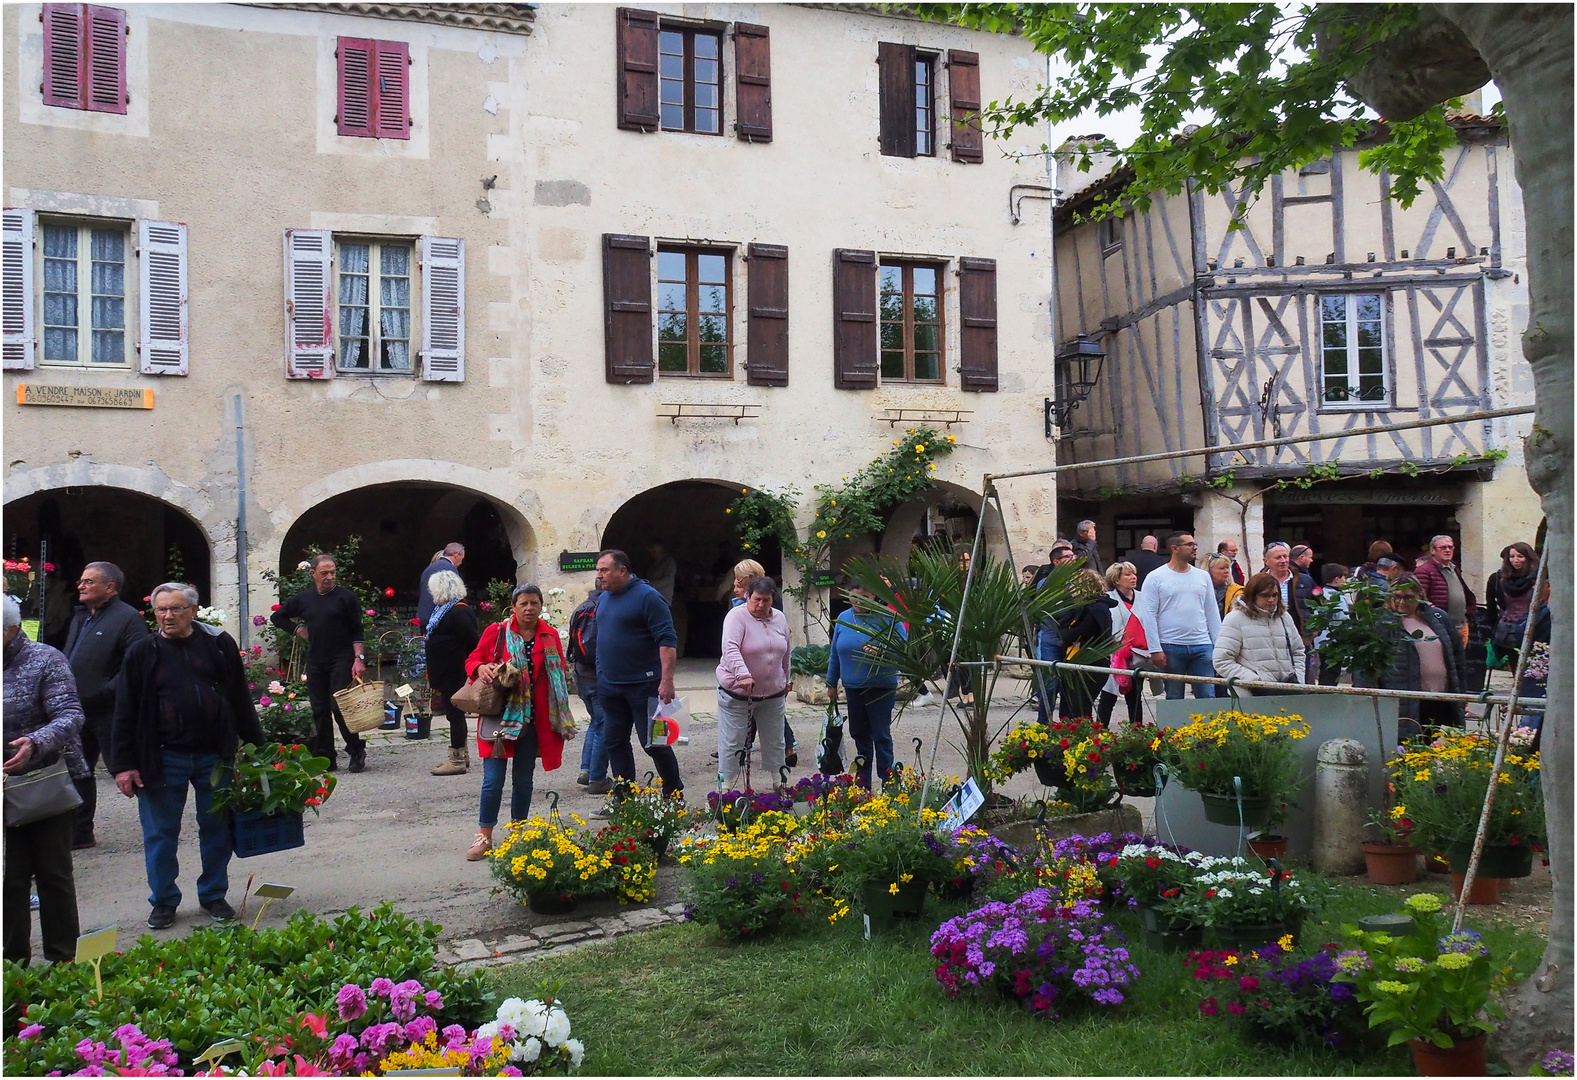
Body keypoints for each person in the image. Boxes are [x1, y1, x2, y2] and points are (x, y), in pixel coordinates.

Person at [110, 583, 264, 929]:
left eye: (176, 608)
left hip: (214, 755)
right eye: (161, 610)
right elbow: (125, 711)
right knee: (160, 834)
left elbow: (240, 698)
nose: (167, 616)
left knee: (216, 828)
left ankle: (212, 895)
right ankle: (163, 901)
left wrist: (260, 749)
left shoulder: (217, 645)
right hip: (163, 757)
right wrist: (123, 765)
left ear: (193, 611)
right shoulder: (141, 652)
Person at [3, 594, 87, 965]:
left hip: (41, 780)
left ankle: (64, 959)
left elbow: (70, 715)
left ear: (12, 629)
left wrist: (34, 743)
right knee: (10, 879)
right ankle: (12, 962)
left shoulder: (45, 659)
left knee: (52, 872)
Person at [462, 584, 573, 860]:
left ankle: (518, 833)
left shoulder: (549, 636)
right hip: (500, 720)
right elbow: (472, 660)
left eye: (534, 603)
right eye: (523, 603)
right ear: (513, 607)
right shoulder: (497, 632)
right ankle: (484, 836)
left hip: (533, 721)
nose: (529, 608)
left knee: (523, 781)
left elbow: (558, 676)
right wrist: (480, 667)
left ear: (540, 605)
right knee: (493, 781)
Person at [63, 560, 148, 849]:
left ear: (110, 587)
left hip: (109, 710)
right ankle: (80, 832)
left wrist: (105, 691)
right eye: (81, 581)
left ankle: (156, 822)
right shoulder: (81, 616)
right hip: (78, 710)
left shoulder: (127, 618)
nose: (81, 586)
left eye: (89, 581)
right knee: (79, 770)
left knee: (124, 768)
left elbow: (135, 664)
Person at [593, 550, 683, 797]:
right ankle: (624, 798)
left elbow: (667, 640)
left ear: (622, 570)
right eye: (598, 570)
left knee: (655, 743)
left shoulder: (648, 597)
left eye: (604, 570)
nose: (599, 576)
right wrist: (600, 673)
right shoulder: (604, 598)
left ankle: (673, 793)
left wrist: (667, 681)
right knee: (614, 742)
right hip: (611, 686)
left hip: (646, 686)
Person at [270, 555, 369, 772]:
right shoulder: (304, 599)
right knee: (319, 709)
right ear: (313, 573)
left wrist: (358, 659)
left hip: (341, 658)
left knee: (338, 706)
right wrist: (298, 630)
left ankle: (355, 749)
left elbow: (357, 630)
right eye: (324, 573)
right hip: (316, 659)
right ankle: (326, 757)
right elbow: (278, 617)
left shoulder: (347, 598)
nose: (329, 577)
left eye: (332, 572)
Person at [825, 578, 907, 789]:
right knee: (859, 735)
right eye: (854, 597)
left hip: (880, 686)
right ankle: (863, 784)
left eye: (864, 597)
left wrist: (883, 652)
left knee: (880, 735)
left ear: (874, 596)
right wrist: (831, 682)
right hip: (853, 687)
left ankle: (889, 783)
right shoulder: (844, 618)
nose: (858, 601)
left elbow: (905, 651)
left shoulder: (890, 618)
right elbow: (835, 653)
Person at [1362, 573, 1465, 735]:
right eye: (1397, 596)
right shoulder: (1380, 624)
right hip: (1404, 703)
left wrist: (1461, 694)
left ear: (1420, 596)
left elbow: (1457, 659)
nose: (1402, 602)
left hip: (1441, 700)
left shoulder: (1439, 619)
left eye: (1409, 597)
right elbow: (1366, 668)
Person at [716, 577, 792, 791]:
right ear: (748, 596)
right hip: (738, 691)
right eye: (757, 599)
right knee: (733, 741)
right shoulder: (736, 617)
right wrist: (743, 675)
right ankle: (726, 787)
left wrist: (786, 679)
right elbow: (730, 649)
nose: (761, 605)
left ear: (772, 600)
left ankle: (779, 781)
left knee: (775, 740)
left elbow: (786, 652)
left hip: (772, 692)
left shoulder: (780, 618)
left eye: (766, 601)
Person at [725, 561, 799, 767]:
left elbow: (783, 646)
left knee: (770, 710)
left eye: (739, 581)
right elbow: (731, 646)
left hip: (768, 675)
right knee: (761, 711)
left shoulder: (771, 606)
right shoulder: (739, 609)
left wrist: (786, 677)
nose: (736, 585)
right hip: (746, 676)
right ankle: (745, 749)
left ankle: (784, 747)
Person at [1133, 532, 1221, 700]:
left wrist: (1218, 645)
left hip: (1202, 644)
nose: (1195, 548)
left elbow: (1212, 612)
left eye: (1195, 544)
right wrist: (1155, 648)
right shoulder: (1155, 577)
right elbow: (1148, 615)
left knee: (1207, 695)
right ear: (1174, 548)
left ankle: (1208, 727)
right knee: (1174, 696)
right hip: (1171, 645)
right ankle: (1174, 727)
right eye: (1189, 544)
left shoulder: (1203, 576)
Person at [425, 570, 480, 778]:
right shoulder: (444, 610)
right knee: (453, 714)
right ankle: (462, 754)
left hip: (455, 672)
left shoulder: (458, 612)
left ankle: (456, 759)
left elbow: (473, 642)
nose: (431, 594)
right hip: (446, 672)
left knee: (455, 714)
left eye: (433, 590)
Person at [1212, 573, 1305, 692]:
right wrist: (1255, 681)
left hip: (1288, 690)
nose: (1271, 600)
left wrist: (1298, 680)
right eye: (1265, 595)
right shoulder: (1235, 618)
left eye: (1275, 595)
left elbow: (1298, 651)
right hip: (1251, 694)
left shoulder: (1284, 617)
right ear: (1252, 595)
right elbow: (1222, 661)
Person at [568, 587, 613, 795]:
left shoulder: (582, 607)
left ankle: (586, 769)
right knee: (604, 724)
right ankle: (597, 778)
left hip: (581, 674)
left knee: (596, 722)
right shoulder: (605, 608)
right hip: (597, 676)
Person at [1055, 568, 1117, 718]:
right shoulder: (1086, 607)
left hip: (1092, 662)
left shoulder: (1095, 608)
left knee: (1080, 707)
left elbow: (1078, 633)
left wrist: (1065, 633)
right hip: (1078, 660)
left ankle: (1084, 738)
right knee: (1074, 706)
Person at [1096, 562, 1146, 728]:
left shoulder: (1143, 597)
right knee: (1108, 695)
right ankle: (1099, 731)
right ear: (1116, 579)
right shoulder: (1107, 598)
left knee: (1135, 695)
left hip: (1137, 653)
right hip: (1115, 653)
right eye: (1127, 574)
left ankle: (1137, 731)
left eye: (1134, 574)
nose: (1133, 577)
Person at [1034, 541, 1078, 722]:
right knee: (1050, 685)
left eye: (1073, 556)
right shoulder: (1046, 583)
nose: (1073, 559)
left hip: (1073, 640)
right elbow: (1053, 610)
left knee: (1070, 685)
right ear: (1057, 562)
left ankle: (1067, 723)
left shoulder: (1078, 579)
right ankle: (1044, 722)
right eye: (1068, 557)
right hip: (1052, 639)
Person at [1411, 534, 1477, 646]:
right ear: (1432, 550)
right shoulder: (1424, 571)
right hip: (1440, 628)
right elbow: (1420, 601)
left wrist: (1467, 617)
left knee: (1459, 661)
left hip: (1460, 626)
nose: (1447, 550)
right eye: (1443, 547)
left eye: (1450, 547)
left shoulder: (1453, 569)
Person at [1484, 542, 1538, 664]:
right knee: (1516, 666)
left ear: (1528, 557)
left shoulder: (1539, 578)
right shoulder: (1499, 579)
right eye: (1512, 556)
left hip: (1535, 630)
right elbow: (1491, 606)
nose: (1515, 560)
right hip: (1509, 633)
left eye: (1520, 556)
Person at [1315, 564, 1352, 686]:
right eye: (1344, 577)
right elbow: (1343, 620)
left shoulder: (1321, 594)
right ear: (1337, 579)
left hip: (1321, 640)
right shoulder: (1337, 597)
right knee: (1332, 673)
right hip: (1334, 641)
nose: (1345, 580)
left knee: (1325, 671)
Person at [417, 543, 466, 626]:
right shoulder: (450, 568)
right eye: (462, 558)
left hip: (423, 615)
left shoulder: (429, 568)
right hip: (438, 619)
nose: (461, 562)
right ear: (457, 555)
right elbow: (452, 596)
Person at [1203, 552, 1242, 618]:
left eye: (1227, 568)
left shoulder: (1236, 592)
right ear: (1209, 570)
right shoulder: (1200, 591)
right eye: (1222, 568)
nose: (1227, 571)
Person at [645, 540, 677, 605]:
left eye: (654, 552)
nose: (651, 555)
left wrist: (650, 584)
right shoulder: (652, 564)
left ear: (661, 550)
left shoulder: (669, 562)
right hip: (652, 599)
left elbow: (668, 580)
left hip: (663, 600)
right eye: (650, 553)